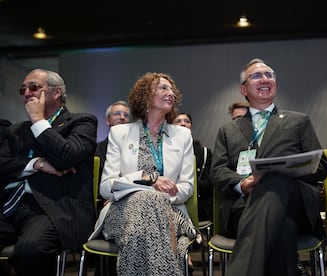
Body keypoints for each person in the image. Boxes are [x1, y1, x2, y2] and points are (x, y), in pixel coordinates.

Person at [210, 58, 327, 275]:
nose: (265, 78)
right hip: (245, 206)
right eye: (256, 76)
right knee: (282, 227)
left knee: (275, 179)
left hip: (296, 203)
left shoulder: (298, 121)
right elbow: (217, 171)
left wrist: (289, 170)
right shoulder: (228, 130)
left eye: (269, 75)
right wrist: (243, 184)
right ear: (243, 89)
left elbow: (321, 166)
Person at [93, 72, 197, 276]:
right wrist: (149, 180)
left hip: (171, 211)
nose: (171, 93)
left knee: (146, 214)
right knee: (147, 200)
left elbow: (187, 186)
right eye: (163, 88)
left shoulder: (183, 136)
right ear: (145, 96)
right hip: (123, 213)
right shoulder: (120, 133)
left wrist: (157, 197)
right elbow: (106, 187)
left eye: (172, 90)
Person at [0, 69, 97, 276]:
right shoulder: (15, 131)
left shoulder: (81, 123)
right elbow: (2, 165)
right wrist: (37, 164)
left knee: (30, 250)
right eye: (23, 89)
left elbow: (65, 157)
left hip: (53, 208)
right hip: (11, 205)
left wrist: (37, 119)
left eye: (34, 87)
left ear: (56, 92)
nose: (27, 92)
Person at [173, 112, 213, 222]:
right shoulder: (166, 152)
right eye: (178, 121)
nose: (183, 124)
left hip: (201, 207)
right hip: (174, 203)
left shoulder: (205, 152)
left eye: (187, 121)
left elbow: (210, 182)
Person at [95, 100, 130, 213]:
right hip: (104, 200)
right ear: (107, 120)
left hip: (131, 198)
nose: (122, 117)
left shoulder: (138, 148)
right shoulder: (96, 149)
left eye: (126, 115)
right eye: (117, 113)